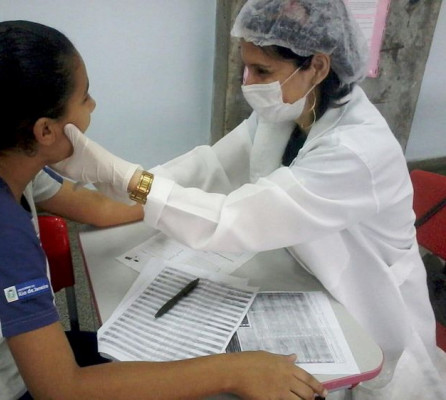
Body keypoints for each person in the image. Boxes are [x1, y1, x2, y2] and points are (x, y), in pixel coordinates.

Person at [0, 20, 327, 400]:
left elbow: (98, 208)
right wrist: (233, 371)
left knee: (166, 363)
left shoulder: (0, 160)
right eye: (84, 97)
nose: (92, 106)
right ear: (45, 130)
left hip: (2, 364)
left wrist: (167, 204)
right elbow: (62, 389)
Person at [51, 1, 446, 399]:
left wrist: (128, 179)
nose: (248, 83)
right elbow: (212, 166)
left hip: (364, 305)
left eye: (262, 71)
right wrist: (123, 181)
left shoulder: (357, 152)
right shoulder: (290, 111)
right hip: (303, 272)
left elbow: (235, 219)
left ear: (317, 66)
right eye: (246, 67)